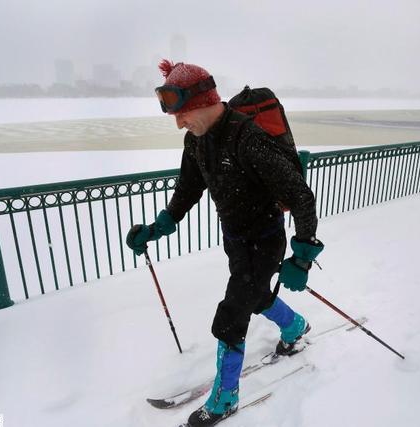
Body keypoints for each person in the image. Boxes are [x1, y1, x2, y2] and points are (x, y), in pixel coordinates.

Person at [126, 60, 324, 427]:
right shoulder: (197, 140)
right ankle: (294, 327)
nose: (179, 123)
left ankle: (225, 398)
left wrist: (302, 255)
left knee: (232, 315)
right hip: (235, 239)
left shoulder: (249, 139)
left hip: (265, 241)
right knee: (255, 295)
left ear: (204, 102)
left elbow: (300, 196)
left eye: (183, 113)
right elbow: (188, 188)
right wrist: (159, 226)